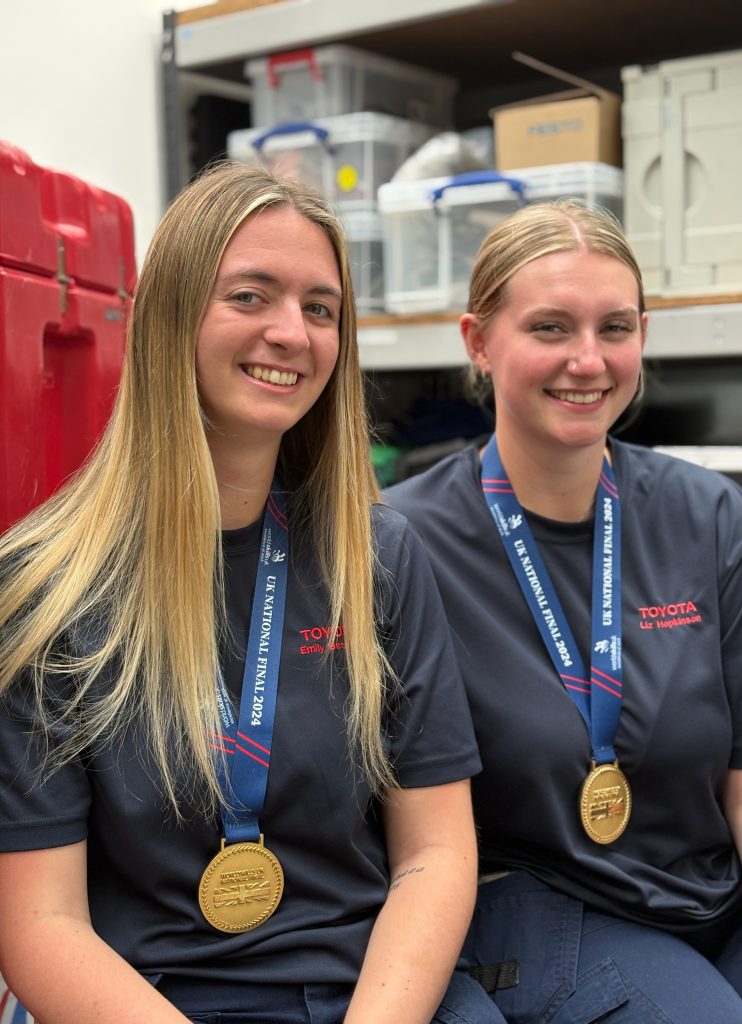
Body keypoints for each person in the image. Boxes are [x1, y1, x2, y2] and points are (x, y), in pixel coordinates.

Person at [0, 163, 506, 1024]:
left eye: (319, 308)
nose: (292, 333)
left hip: (374, 993)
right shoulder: (46, 583)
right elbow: (41, 925)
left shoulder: (379, 556)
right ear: (171, 315)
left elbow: (435, 853)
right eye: (250, 295)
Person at [385, 199, 742, 1024]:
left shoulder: (711, 517)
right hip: (539, 903)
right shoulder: (401, 543)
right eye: (551, 328)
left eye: (616, 327)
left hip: (710, 897)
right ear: (478, 343)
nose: (589, 361)